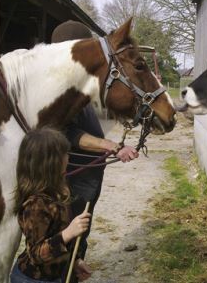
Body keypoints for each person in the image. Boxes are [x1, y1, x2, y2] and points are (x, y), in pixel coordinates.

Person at [51, 20, 140, 275]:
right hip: (72, 179)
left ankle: (74, 265)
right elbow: (69, 134)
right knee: (66, 233)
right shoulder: (60, 91)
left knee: (80, 235)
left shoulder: (79, 86)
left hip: (87, 178)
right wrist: (112, 146)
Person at [10, 128, 92, 283]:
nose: (68, 157)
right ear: (51, 162)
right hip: (33, 280)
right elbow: (36, 254)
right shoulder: (35, 205)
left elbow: (55, 234)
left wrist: (74, 262)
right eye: (64, 154)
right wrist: (68, 233)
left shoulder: (58, 191)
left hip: (56, 276)